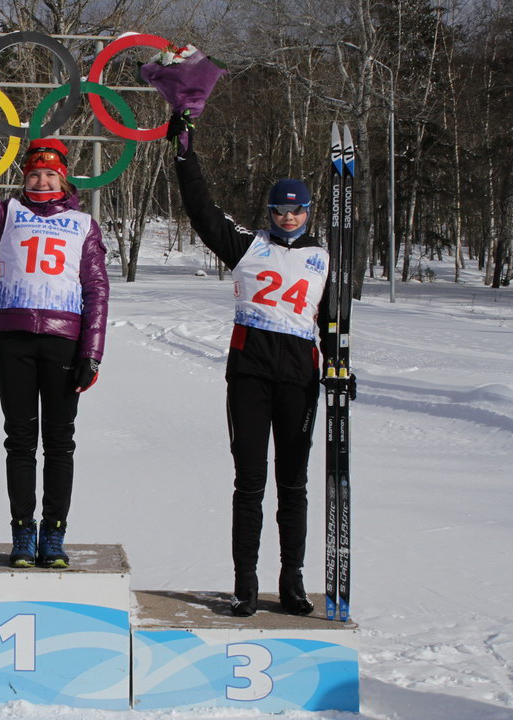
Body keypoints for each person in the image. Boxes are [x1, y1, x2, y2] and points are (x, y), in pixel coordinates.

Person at [169, 114, 334, 617]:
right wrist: (184, 154)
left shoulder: (324, 258)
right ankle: (245, 582)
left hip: (300, 379)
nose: (288, 218)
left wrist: (340, 367)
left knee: (294, 483)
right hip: (250, 375)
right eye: (281, 211)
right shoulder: (249, 246)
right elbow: (202, 211)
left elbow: (331, 324)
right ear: (270, 212)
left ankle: (292, 581)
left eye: (297, 211)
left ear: (308, 211)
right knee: (250, 482)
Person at [0, 122, 110, 569]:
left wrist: (91, 352)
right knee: (19, 440)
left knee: (59, 442)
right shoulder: (8, 214)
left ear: (65, 178)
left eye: (51, 174)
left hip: (63, 342)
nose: (42, 181)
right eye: (35, 174)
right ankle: (22, 531)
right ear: (25, 179)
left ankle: (54, 534)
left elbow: (96, 289)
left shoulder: (82, 225)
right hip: (14, 340)